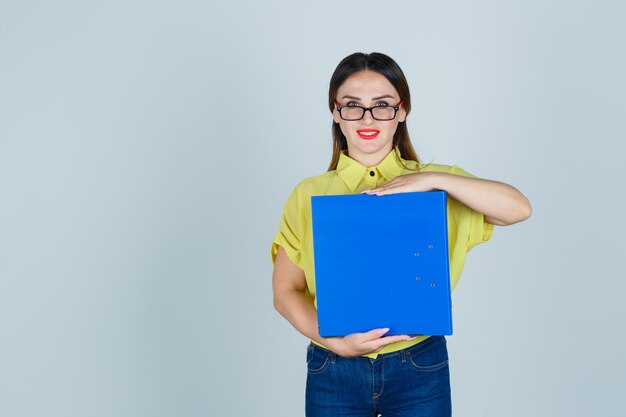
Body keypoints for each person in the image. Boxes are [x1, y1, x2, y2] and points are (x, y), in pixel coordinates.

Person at [270, 52, 531, 417]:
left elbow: (518, 209)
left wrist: (433, 179)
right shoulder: (308, 193)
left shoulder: (439, 185)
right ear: (335, 112)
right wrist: (338, 345)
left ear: (402, 110)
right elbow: (285, 291)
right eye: (352, 105)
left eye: (381, 105)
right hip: (333, 366)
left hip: (418, 364)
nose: (367, 118)